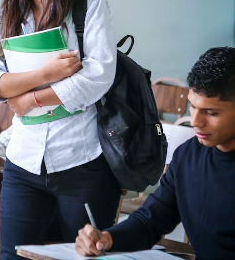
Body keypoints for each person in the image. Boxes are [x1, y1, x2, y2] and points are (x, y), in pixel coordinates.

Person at [0, 0, 121, 259]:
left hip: (82, 161)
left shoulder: (89, 6)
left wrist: (30, 99)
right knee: (12, 256)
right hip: (23, 162)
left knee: (85, 255)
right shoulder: (8, 13)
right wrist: (46, 74)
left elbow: (98, 76)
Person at [75, 47, 235, 259]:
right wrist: (108, 238)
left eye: (211, 112)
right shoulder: (188, 157)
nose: (195, 121)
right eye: (193, 107)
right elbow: (151, 220)